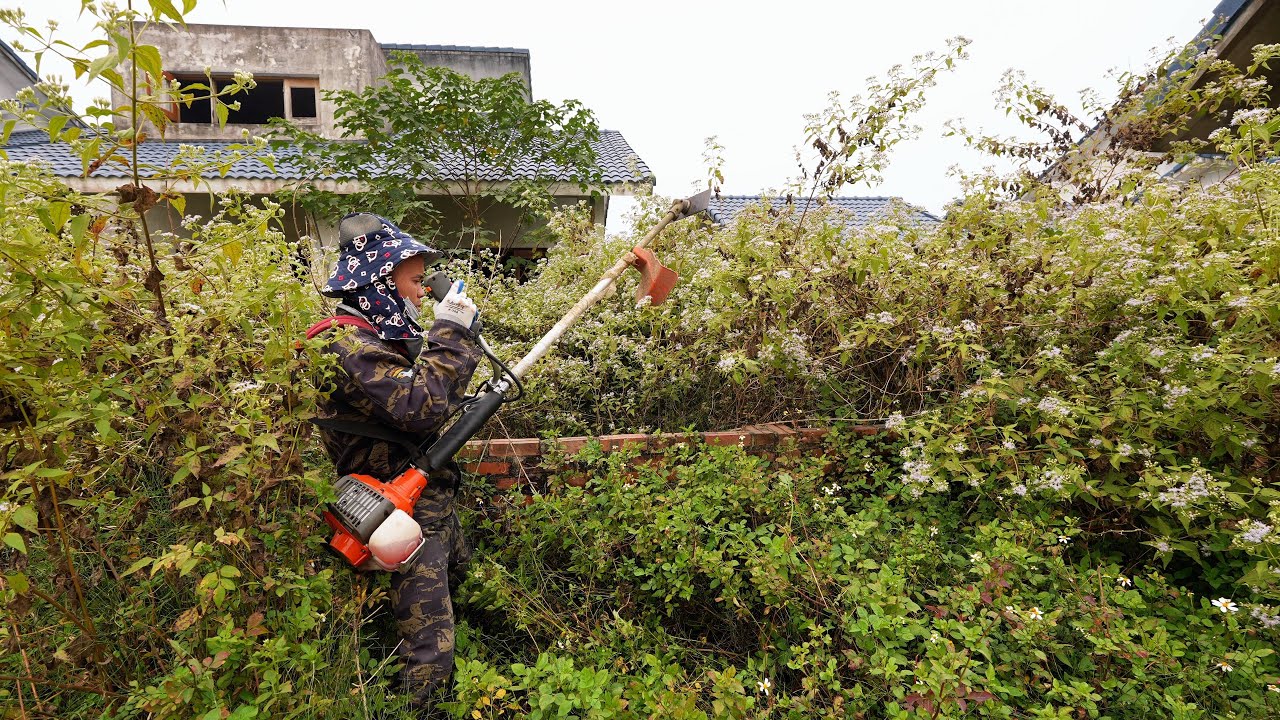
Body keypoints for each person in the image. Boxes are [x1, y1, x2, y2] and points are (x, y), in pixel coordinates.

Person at [312, 212, 482, 708]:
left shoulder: (377, 337)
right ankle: (419, 708)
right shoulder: (345, 342)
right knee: (431, 649)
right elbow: (417, 406)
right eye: (413, 279)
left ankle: (481, 668)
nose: (420, 292)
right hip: (393, 507)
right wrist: (449, 333)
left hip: (427, 495)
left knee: (463, 585)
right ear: (381, 278)